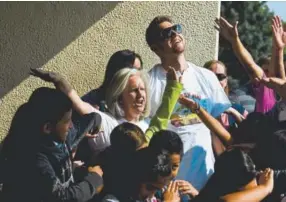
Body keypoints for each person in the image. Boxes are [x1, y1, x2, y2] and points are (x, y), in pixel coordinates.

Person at [146, 15, 231, 190]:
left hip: (206, 180)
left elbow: (216, 130)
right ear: (156, 49)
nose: (175, 34)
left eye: (176, 28)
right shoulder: (148, 83)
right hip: (167, 185)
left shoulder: (207, 77)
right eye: (166, 33)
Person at [30, 66, 183, 161]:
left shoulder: (147, 124)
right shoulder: (109, 123)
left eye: (142, 89)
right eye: (134, 90)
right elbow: (81, 106)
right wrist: (60, 81)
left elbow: (159, 123)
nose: (141, 95)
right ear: (120, 98)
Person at [0, 87, 103, 202]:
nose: (71, 126)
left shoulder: (60, 136)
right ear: (48, 128)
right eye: (67, 121)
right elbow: (60, 197)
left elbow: (90, 120)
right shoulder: (34, 159)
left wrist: (96, 125)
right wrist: (93, 180)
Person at [215, 16, 286, 113]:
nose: (269, 76)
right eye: (265, 71)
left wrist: (279, 49)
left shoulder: (280, 92)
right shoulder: (265, 92)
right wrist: (235, 41)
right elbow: (251, 67)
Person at [204, 60, 248, 130]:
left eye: (220, 77)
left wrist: (235, 113)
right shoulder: (195, 108)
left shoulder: (239, 110)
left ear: (225, 81)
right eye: (210, 76)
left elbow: (251, 134)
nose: (216, 81)